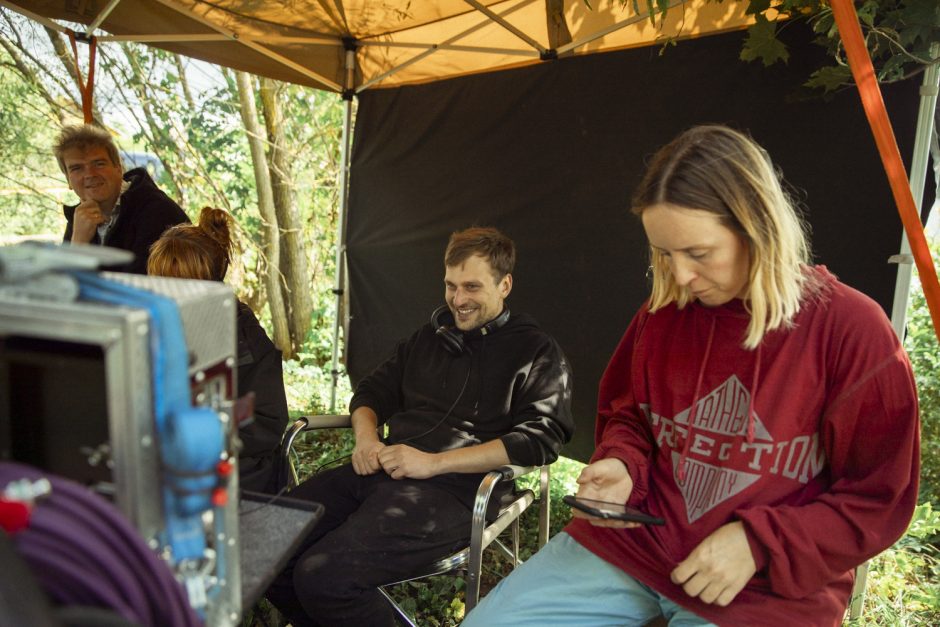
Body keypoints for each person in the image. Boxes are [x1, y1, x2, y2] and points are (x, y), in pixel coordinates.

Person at [463, 125, 920, 627]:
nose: (680, 276)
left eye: (698, 254)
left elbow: (878, 498)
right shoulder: (664, 314)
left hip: (764, 588)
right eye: (664, 254)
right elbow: (630, 418)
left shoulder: (850, 330)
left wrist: (759, 542)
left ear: (757, 227)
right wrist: (623, 466)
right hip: (635, 548)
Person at [265, 226, 575, 626]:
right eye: (450, 286)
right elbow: (371, 393)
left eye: (472, 288)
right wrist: (365, 439)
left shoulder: (537, 352)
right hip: (381, 470)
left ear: (505, 285)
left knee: (324, 575)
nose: (457, 300)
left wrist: (432, 464)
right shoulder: (431, 338)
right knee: (267, 548)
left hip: (456, 493)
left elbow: (539, 441)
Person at [148, 207, 289, 493]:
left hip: (239, 472)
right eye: (161, 283)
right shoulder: (158, 324)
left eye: (180, 284)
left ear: (208, 283)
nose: (169, 294)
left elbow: (265, 421)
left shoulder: (241, 335)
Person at [54, 124, 189, 274]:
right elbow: (62, 288)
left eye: (99, 164)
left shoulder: (156, 211)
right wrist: (79, 242)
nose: (90, 174)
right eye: (77, 168)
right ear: (68, 180)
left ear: (118, 168)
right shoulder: (80, 218)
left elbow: (138, 286)